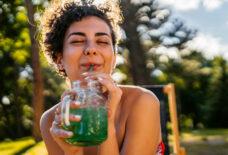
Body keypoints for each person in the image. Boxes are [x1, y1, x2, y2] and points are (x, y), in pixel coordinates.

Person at [39, 0, 165, 154]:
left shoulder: (142, 101)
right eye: (78, 41)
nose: (91, 49)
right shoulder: (52, 121)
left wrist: (108, 123)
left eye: (102, 41)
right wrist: (72, 152)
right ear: (59, 60)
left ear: (113, 59)